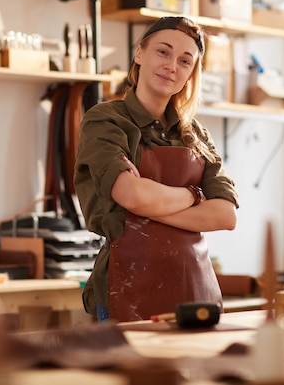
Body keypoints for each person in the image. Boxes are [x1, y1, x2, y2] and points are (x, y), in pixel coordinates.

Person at [74, 16, 240, 323]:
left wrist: (147, 206)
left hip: (195, 288)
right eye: (163, 52)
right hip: (126, 287)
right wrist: (195, 194)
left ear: (191, 73)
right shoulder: (106, 121)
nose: (172, 65)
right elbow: (131, 194)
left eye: (185, 60)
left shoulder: (197, 135)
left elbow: (226, 215)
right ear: (140, 54)